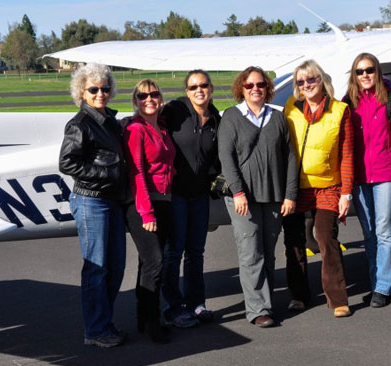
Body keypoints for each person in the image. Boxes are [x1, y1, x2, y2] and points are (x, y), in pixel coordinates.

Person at [218, 66, 298, 328]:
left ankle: (266, 302)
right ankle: (257, 309)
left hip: (274, 195)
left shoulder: (277, 118)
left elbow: (290, 158)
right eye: (250, 85)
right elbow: (226, 158)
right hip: (244, 198)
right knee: (250, 253)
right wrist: (238, 192)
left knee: (268, 252)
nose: (256, 89)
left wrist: (289, 195)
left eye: (261, 85)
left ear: (268, 88)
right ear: (242, 88)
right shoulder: (231, 117)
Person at [59, 63, 127, 348]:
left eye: (105, 88)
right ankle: (95, 330)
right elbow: (67, 162)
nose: (101, 93)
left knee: (116, 266)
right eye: (94, 89)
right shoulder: (80, 124)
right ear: (82, 92)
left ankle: (104, 323)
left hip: (111, 199)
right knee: (97, 267)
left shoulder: (108, 120)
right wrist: (107, 173)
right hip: (90, 200)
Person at [283, 59, 354, 318]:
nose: (306, 85)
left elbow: (346, 154)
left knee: (326, 237)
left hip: (327, 186)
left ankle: (337, 299)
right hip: (295, 186)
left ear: (321, 80)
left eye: (311, 79)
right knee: (294, 241)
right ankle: (299, 296)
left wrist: (346, 192)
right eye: (300, 82)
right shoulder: (291, 108)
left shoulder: (339, 110)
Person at [161, 70, 221, 328]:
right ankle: (172, 308)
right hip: (175, 194)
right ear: (186, 91)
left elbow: (218, 157)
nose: (199, 90)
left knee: (196, 252)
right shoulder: (174, 110)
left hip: (199, 195)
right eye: (193, 86)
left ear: (211, 88)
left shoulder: (216, 118)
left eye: (204, 85)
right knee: (174, 252)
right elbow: (147, 122)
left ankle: (196, 303)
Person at [342, 53, 391, 308]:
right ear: (354, 76)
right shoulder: (348, 102)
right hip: (360, 176)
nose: (365, 75)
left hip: (386, 172)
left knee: (384, 230)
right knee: (369, 233)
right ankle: (376, 281)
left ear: (377, 72)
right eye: (359, 71)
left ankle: (383, 288)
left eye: (369, 70)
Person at [123, 79, 175, 343]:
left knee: (148, 263)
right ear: (136, 101)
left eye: (154, 94)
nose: (149, 99)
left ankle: (143, 318)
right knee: (155, 262)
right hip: (144, 205)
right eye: (142, 96)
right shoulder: (135, 129)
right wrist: (147, 212)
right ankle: (153, 322)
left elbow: (167, 164)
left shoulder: (162, 128)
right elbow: (137, 172)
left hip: (165, 200)